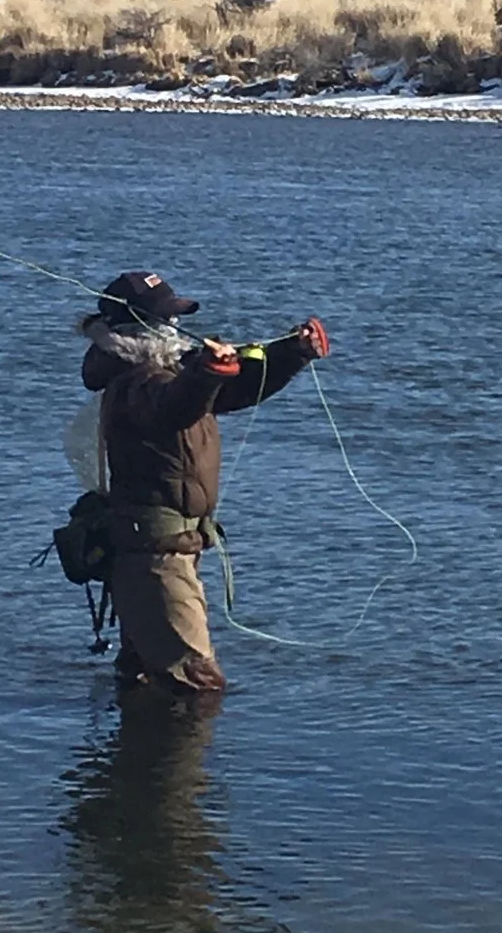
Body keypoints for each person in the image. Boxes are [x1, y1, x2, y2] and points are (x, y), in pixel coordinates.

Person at [77, 270, 329, 693]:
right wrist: (209, 373)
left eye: (175, 317)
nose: (175, 326)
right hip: (154, 557)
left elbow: (234, 390)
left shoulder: (168, 372)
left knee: (147, 681)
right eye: (165, 320)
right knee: (197, 688)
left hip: (165, 551)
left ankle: (131, 754)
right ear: (133, 328)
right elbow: (174, 407)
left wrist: (292, 351)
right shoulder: (135, 383)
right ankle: (169, 758)